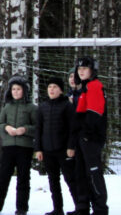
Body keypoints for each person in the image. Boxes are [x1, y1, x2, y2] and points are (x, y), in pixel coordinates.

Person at [0, 76, 37, 215]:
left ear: (24, 91)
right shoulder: (7, 107)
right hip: (8, 147)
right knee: (2, 177)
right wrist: (6, 128)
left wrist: (25, 130)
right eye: (13, 89)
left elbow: (37, 127)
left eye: (18, 89)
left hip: (25, 147)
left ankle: (21, 208)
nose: (15, 91)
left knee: (23, 179)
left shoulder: (32, 108)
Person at [67, 57, 108, 215]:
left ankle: (100, 209)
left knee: (93, 173)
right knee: (81, 173)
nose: (81, 71)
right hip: (83, 138)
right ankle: (83, 206)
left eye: (85, 68)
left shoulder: (95, 86)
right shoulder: (85, 88)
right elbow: (79, 117)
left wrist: (86, 134)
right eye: (79, 69)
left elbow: (94, 114)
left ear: (92, 70)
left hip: (91, 138)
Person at [34, 77, 77, 215]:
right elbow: (38, 129)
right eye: (49, 87)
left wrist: (71, 146)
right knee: (53, 181)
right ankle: (58, 209)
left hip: (64, 150)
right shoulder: (43, 106)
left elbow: (73, 128)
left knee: (71, 180)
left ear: (61, 90)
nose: (51, 89)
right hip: (48, 150)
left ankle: (80, 207)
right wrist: (38, 149)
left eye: (55, 87)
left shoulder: (67, 105)